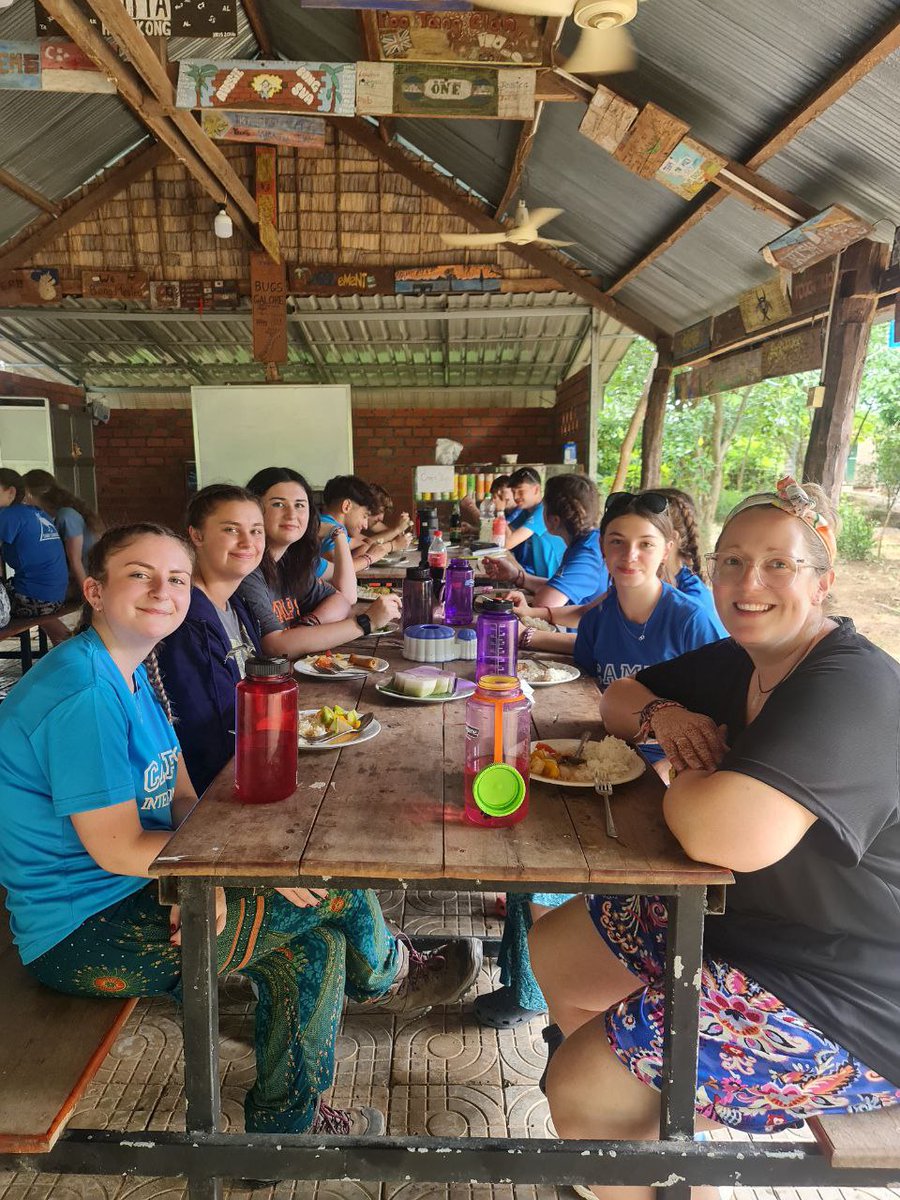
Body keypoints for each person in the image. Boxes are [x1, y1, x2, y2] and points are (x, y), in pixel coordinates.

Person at [0, 520, 481, 1140]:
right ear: (94, 590)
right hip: (86, 930)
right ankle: (389, 976)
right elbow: (117, 848)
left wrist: (206, 875)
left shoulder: (128, 669)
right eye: (139, 576)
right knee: (329, 886)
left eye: (176, 578)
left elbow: (179, 793)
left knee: (315, 942)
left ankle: (285, 1128)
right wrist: (218, 872)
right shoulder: (84, 693)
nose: (163, 591)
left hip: (141, 890)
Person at [531, 479, 900, 1200]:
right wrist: (666, 718)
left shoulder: (854, 686)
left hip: (847, 988)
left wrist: (686, 773)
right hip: (742, 921)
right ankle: (646, 1151)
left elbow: (726, 833)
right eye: (732, 561)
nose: (748, 582)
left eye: (778, 564)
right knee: (557, 950)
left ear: (823, 581)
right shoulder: (745, 657)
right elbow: (618, 699)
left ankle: (633, 1140)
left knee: (580, 1086)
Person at [475, 491, 724, 1033]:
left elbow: (720, 722)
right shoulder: (601, 617)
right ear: (603, 548)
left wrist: (666, 770)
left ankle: (551, 997)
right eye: (617, 543)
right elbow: (586, 678)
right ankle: (528, 978)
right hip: (603, 767)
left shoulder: (691, 621)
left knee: (551, 872)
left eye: (645, 544)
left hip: (666, 781)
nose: (629, 555)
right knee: (519, 829)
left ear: (667, 549)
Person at [238, 467, 400, 658]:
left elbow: (342, 599)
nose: (292, 514)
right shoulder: (247, 569)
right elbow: (275, 646)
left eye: (300, 505)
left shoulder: (291, 561)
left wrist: (310, 623)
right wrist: (366, 622)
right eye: (278, 504)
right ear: (254, 510)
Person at [484, 474, 609, 612]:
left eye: (544, 507)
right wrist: (517, 576)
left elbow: (545, 603)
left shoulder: (587, 552)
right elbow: (555, 587)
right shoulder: (586, 541)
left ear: (554, 521)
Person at [0, 467, 68, 628]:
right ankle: (64, 639)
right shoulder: (37, 513)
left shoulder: (7, 515)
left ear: (11, 492)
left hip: (33, 600)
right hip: (56, 597)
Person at [22, 468, 104, 589]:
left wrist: (88, 594)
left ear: (29, 493)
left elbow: (75, 562)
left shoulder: (66, 516)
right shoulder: (52, 517)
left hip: (83, 582)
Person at [317, 474, 397, 577]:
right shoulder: (331, 529)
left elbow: (363, 545)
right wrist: (369, 558)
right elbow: (337, 572)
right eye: (364, 516)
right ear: (346, 506)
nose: (365, 526)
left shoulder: (324, 522)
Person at [503, 467, 566, 578]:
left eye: (520, 491)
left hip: (556, 575)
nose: (516, 497)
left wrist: (500, 512)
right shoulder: (526, 511)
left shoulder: (543, 511)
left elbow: (507, 543)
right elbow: (504, 537)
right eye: (513, 492)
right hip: (541, 574)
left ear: (536, 489)